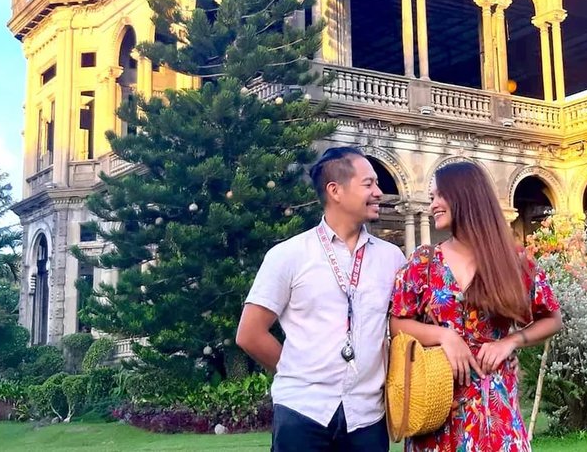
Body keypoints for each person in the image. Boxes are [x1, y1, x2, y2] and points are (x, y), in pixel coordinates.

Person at [236, 146, 406, 452]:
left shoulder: (392, 258)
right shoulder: (288, 255)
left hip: (366, 417)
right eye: (368, 184)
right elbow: (250, 334)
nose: (379, 192)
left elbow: (403, 327)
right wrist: (298, 374)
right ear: (335, 191)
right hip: (303, 414)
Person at [390, 161, 562, 452]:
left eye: (439, 196)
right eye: (431, 198)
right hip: (436, 403)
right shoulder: (424, 262)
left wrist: (510, 342)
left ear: (464, 196)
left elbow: (552, 318)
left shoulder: (513, 261)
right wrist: (445, 336)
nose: (433, 205)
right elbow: (397, 324)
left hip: (496, 407)